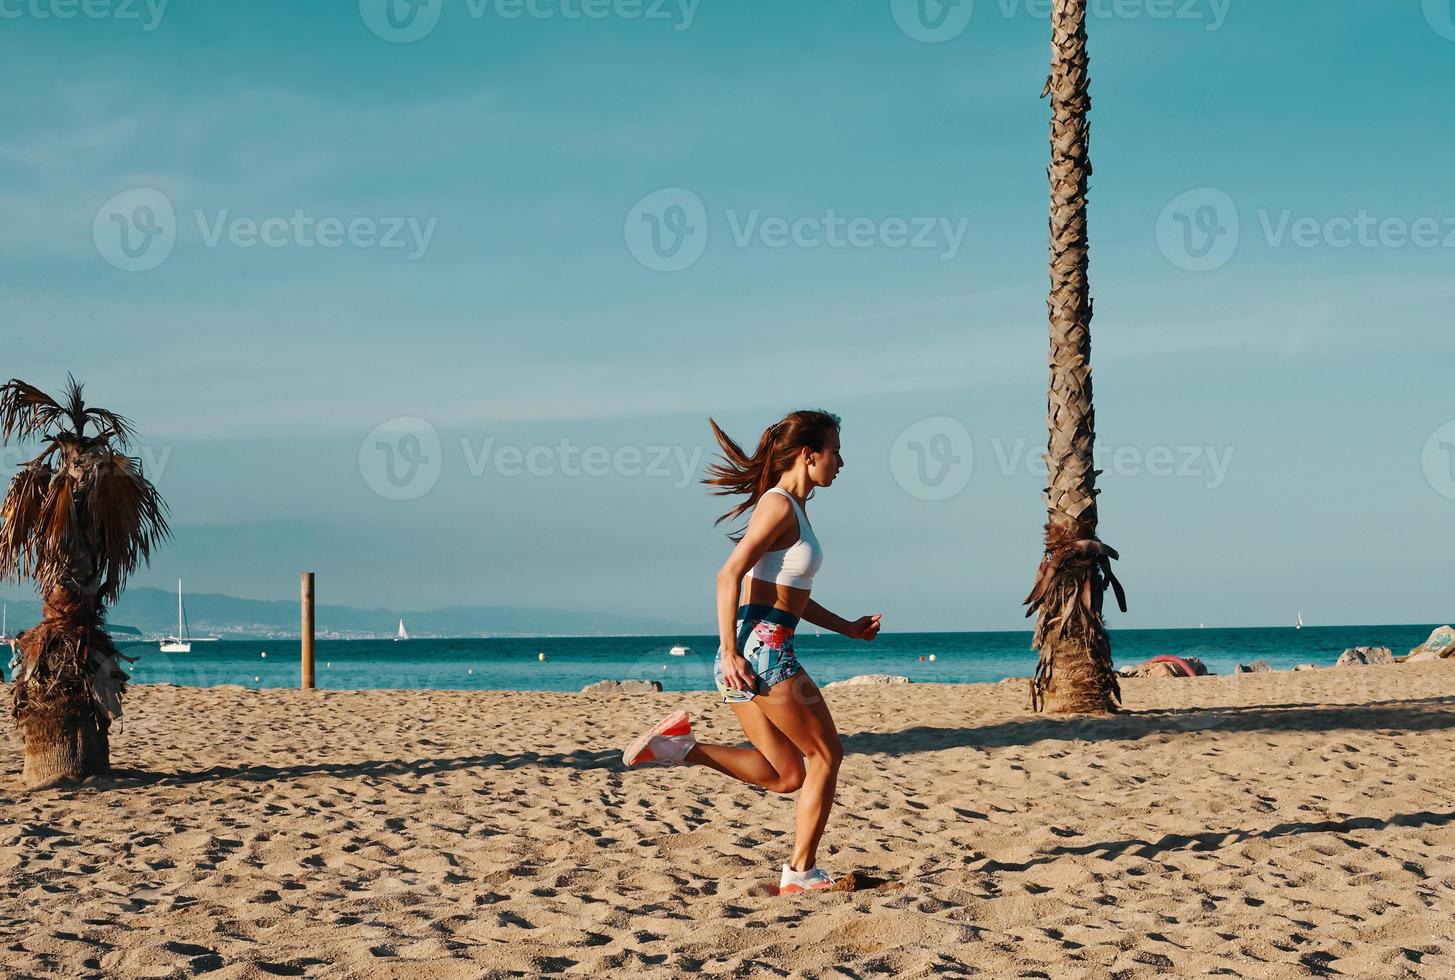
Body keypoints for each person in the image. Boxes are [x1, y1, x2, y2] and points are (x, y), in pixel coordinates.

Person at [621, 409, 882, 894]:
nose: (841, 462)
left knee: (786, 774)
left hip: (748, 652)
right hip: (759, 653)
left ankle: (680, 747)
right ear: (809, 455)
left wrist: (846, 628)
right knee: (827, 755)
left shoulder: (791, 508)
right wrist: (730, 649)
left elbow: (789, 595)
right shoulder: (779, 506)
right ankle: (801, 874)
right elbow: (728, 575)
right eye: (835, 451)